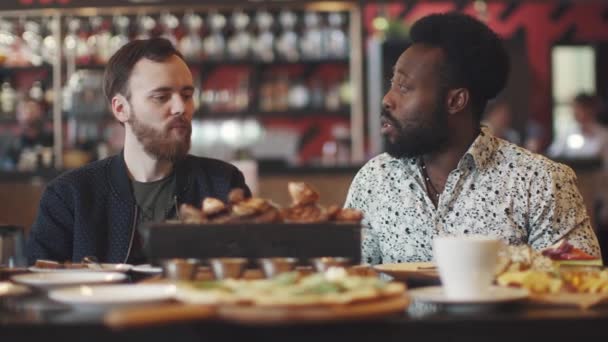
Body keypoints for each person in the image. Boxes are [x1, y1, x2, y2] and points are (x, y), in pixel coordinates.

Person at [344, 12, 600, 264]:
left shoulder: (540, 183)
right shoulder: (373, 181)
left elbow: (579, 289)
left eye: (404, 86)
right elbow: (345, 283)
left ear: (455, 101)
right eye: (392, 84)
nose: (387, 99)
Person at [26, 38, 250, 264]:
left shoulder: (223, 184)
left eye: (187, 95)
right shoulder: (70, 196)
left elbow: (254, 276)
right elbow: (37, 285)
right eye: (161, 97)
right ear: (121, 109)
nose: (181, 107)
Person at [547, 93, 608, 165]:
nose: (575, 112)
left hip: (596, 174)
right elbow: (553, 154)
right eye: (574, 108)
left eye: (580, 108)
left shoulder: (604, 133)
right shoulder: (567, 131)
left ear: (591, 110)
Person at [1, 96, 53, 170]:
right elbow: (7, 170)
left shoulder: (51, 139)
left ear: (39, 113)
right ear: (17, 115)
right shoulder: (11, 144)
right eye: (23, 111)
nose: (27, 114)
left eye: (32, 110)